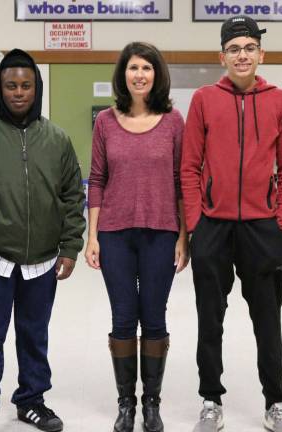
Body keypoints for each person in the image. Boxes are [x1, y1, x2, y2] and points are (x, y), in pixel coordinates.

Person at [0, 48, 85, 432]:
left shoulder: (56, 138)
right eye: (11, 85)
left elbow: (74, 197)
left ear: (36, 88)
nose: (18, 92)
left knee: (34, 333)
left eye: (26, 85)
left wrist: (70, 246)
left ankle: (31, 400)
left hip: (42, 261)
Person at [181, 16, 282, 432]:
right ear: (222, 56)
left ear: (261, 54)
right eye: (234, 49)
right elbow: (189, 167)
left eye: (249, 47)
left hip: (262, 229)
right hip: (213, 227)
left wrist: (280, 223)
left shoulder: (279, 100)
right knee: (209, 319)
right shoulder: (203, 99)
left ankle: (275, 403)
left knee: (268, 321)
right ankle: (211, 400)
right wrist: (196, 223)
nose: (242, 55)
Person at [85, 42, 189, 432]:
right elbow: (96, 180)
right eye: (133, 68)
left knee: (155, 317)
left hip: (162, 232)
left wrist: (184, 237)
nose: (140, 74)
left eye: (147, 67)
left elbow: (182, 182)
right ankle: (126, 403)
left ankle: (151, 404)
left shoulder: (174, 121)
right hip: (114, 233)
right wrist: (91, 236)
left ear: (157, 74)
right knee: (124, 318)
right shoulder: (105, 123)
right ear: (123, 74)